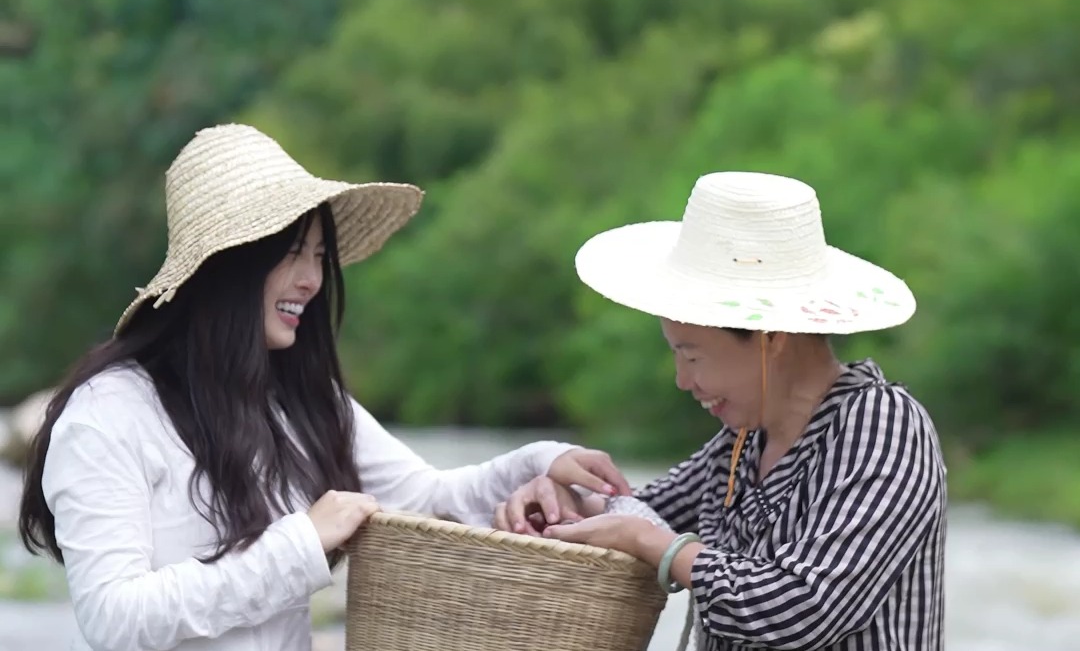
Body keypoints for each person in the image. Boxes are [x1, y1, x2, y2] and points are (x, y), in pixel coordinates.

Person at [17, 123, 630, 651]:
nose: (312, 280)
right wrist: (301, 543)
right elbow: (113, 619)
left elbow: (428, 498)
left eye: (318, 255)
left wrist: (543, 464)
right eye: (291, 253)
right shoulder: (108, 415)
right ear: (228, 265)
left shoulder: (299, 403)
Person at [495, 171, 946, 651]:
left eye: (692, 356)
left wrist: (656, 546)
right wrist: (559, 503)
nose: (682, 381)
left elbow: (803, 610)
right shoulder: (742, 441)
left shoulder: (883, 425)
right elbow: (639, 512)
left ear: (771, 338)